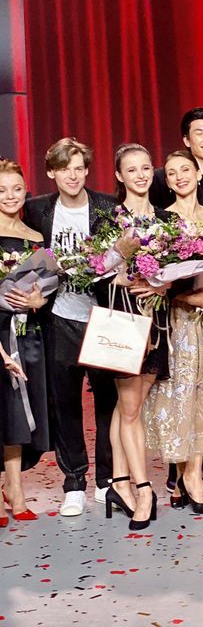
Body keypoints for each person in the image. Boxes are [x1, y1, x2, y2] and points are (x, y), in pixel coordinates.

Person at [23, 138, 118, 517]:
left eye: (79, 167)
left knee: (108, 402)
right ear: (51, 172)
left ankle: (106, 479)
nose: (73, 175)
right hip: (59, 318)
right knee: (65, 403)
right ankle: (74, 480)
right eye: (65, 169)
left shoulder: (107, 208)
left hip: (101, 316)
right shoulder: (38, 211)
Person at [142, 150, 203, 514]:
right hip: (177, 321)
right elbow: (159, 283)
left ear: (198, 176)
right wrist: (190, 297)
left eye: (186, 170)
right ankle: (188, 476)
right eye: (173, 172)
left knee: (201, 394)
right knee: (178, 393)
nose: (180, 176)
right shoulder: (164, 222)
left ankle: (186, 476)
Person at [97, 144, 171, 531]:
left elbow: (176, 274)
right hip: (124, 325)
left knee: (131, 408)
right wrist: (118, 263)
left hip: (157, 325)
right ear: (120, 176)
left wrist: (162, 286)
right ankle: (144, 490)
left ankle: (118, 482)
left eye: (146, 168)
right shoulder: (109, 220)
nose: (141, 175)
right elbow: (91, 271)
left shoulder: (164, 219)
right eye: (132, 169)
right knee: (129, 409)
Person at [0, 160, 50, 523]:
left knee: (17, 413)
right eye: (1, 190)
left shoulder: (34, 237)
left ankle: (15, 489)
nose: (10, 196)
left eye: (16, 188)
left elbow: (43, 289)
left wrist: (37, 300)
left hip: (26, 333)